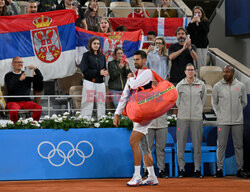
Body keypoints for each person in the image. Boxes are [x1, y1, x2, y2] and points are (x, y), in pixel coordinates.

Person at [113, 50, 158, 186]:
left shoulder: (147, 73)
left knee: (133, 141)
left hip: (145, 114)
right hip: (136, 113)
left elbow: (133, 85)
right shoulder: (134, 76)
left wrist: (130, 78)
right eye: (134, 60)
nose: (135, 62)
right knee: (144, 147)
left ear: (144, 60)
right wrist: (117, 114)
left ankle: (137, 175)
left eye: (138, 59)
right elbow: (125, 96)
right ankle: (152, 176)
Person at [212, 65, 247, 178]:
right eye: (224, 71)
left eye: (227, 72)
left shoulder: (240, 85)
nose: (225, 74)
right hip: (223, 121)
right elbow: (214, 103)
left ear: (233, 73)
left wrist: (237, 112)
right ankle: (219, 169)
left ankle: (240, 169)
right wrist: (220, 114)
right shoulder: (217, 86)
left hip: (237, 121)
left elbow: (244, 102)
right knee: (221, 145)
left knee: (239, 146)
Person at [142, 36, 169, 178]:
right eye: (156, 43)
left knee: (161, 148)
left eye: (160, 43)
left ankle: (162, 170)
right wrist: (147, 52)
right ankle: (147, 171)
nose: (158, 45)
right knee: (148, 148)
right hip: (149, 124)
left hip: (162, 122)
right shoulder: (146, 90)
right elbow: (142, 66)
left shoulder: (167, 56)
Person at [175, 63, 206, 178]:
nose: (190, 72)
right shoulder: (180, 85)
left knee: (197, 145)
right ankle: (181, 169)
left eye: (192, 70)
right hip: (182, 118)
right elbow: (177, 102)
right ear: (185, 72)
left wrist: (197, 111)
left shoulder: (201, 85)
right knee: (181, 145)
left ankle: (197, 169)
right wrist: (183, 110)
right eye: (188, 70)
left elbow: (203, 101)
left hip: (197, 119)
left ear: (195, 71)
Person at [4, 56, 43, 123]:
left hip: (26, 101)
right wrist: (20, 80)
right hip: (13, 101)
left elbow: (40, 78)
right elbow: (10, 88)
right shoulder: (8, 75)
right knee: (13, 111)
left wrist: (36, 69)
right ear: (13, 64)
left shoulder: (27, 74)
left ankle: (33, 124)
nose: (20, 64)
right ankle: (15, 125)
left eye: (21, 62)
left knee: (38, 108)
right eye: (17, 62)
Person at [80, 36, 108, 120]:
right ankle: (85, 120)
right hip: (89, 82)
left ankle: (102, 120)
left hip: (100, 83)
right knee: (88, 102)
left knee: (101, 102)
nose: (96, 45)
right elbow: (84, 70)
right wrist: (98, 72)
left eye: (98, 44)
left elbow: (103, 68)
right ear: (90, 44)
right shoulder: (86, 55)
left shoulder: (102, 56)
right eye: (94, 43)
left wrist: (105, 72)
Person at [187, 6, 209, 74]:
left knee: (202, 64)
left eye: (199, 12)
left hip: (203, 45)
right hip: (194, 45)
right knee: (194, 63)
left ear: (202, 13)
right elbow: (188, 31)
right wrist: (192, 22)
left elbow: (206, 31)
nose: (197, 14)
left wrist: (200, 22)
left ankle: (201, 78)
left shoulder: (205, 21)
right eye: (195, 13)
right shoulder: (192, 22)